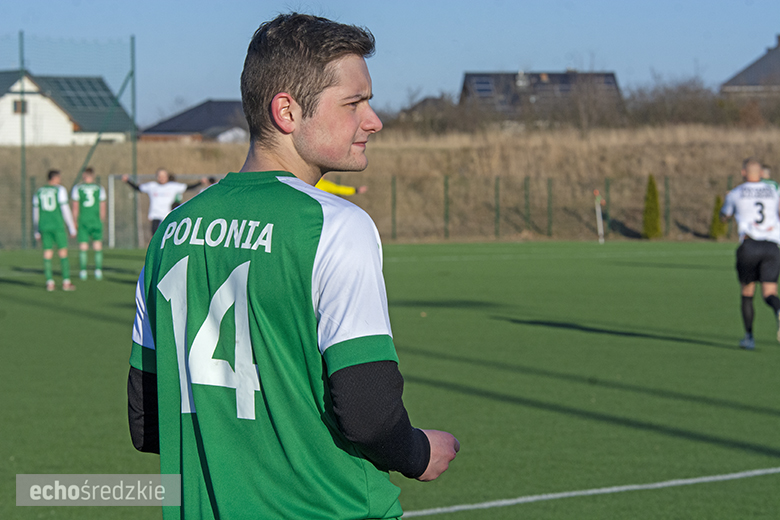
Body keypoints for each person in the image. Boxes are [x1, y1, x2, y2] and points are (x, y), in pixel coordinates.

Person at [127, 12, 459, 520]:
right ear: (287, 110)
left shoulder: (172, 232)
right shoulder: (334, 224)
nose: (374, 120)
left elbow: (146, 422)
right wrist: (417, 453)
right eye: (354, 103)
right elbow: (368, 414)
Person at [720, 157, 780, 350]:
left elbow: (724, 216)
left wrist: (728, 204)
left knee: (747, 292)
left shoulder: (736, 193)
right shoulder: (773, 191)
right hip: (772, 246)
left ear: (743, 172)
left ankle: (749, 338)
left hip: (749, 246)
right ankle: (778, 308)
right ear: (762, 173)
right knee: (770, 292)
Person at [121, 169, 205, 235]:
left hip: (167, 215)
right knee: (155, 237)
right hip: (155, 215)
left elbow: (188, 187)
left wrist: (200, 182)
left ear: (167, 177)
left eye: (164, 176)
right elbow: (138, 188)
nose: (162, 178)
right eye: (160, 176)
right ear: (157, 177)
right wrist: (128, 181)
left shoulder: (173, 186)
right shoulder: (152, 186)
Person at [33, 169, 77, 291]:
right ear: (55, 178)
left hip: (44, 226)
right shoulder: (60, 189)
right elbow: (65, 209)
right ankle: (66, 282)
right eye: (59, 177)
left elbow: (35, 212)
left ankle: (50, 283)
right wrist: (71, 227)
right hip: (57, 226)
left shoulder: (39, 191)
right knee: (63, 252)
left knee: (47, 253)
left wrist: (36, 230)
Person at [71, 167, 106, 280]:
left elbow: (75, 207)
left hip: (83, 221)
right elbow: (102, 207)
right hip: (96, 221)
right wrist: (102, 220)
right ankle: (98, 271)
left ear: (84, 175)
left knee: (83, 247)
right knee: (97, 246)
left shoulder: (78, 188)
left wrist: (74, 221)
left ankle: (83, 272)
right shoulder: (99, 188)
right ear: (93, 175)